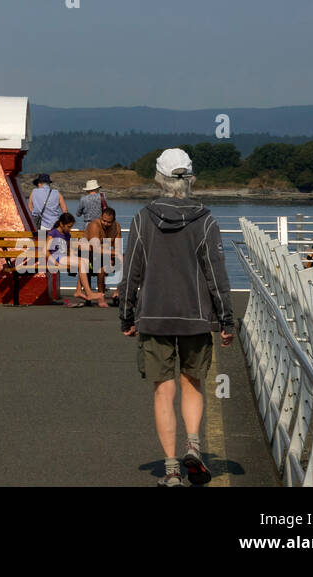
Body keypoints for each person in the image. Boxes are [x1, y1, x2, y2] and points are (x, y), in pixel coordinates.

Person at [120, 148, 234, 487]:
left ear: (159, 178)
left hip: (153, 317)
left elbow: (132, 274)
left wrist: (126, 316)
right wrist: (227, 321)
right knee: (193, 384)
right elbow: (217, 275)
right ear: (190, 178)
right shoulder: (206, 220)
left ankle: (171, 470)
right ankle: (194, 448)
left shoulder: (142, 219)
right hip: (196, 317)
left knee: (163, 391)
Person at [83, 205, 123, 304]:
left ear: (113, 221)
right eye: (103, 220)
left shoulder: (117, 227)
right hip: (89, 256)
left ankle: (118, 293)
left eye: (108, 222)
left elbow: (117, 247)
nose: (105, 223)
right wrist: (113, 254)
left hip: (106, 255)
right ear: (101, 217)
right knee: (102, 266)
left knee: (127, 260)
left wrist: (114, 257)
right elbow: (96, 249)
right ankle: (101, 295)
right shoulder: (94, 225)